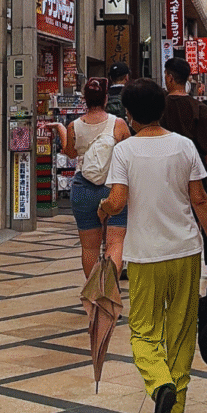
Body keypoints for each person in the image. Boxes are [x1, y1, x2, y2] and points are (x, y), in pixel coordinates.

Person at [100, 78, 207, 413]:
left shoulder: (125, 152)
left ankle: (160, 385)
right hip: (185, 249)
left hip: (145, 255)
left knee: (143, 330)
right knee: (181, 331)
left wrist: (104, 207)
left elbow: (118, 202)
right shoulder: (184, 146)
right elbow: (200, 199)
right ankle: (177, 411)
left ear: (130, 113)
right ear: (163, 109)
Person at [63, 77, 130, 276]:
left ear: (84, 99)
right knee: (115, 243)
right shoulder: (118, 124)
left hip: (83, 187)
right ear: (106, 98)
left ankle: (94, 296)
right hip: (113, 187)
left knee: (89, 247)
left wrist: (60, 131)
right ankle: (110, 291)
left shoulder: (74, 126)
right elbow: (129, 156)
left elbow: (71, 153)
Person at [161, 58, 207, 205]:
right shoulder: (200, 108)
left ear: (170, 78)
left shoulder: (158, 107)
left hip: (161, 174)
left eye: (166, 75)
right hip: (194, 176)